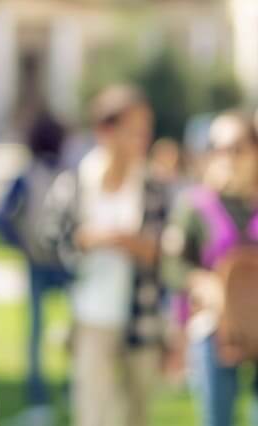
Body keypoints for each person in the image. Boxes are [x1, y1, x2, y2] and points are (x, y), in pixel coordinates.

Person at [41, 84, 168, 426]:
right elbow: (53, 245)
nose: (143, 139)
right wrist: (85, 243)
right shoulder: (76, 184)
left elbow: (166, 253)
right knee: (93, 414)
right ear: (106, 131)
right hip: (91, 315)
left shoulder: (154, 186)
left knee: (136, 416)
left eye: (146, 131)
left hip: (140, 317)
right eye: (135, 131)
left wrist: (125, 241)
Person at [161, 110, 258, 426]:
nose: (226, 157)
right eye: (216, 147)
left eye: (236, 148)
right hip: (214, 328)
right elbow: (171, 264)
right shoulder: (195, 205)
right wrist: (201, 281)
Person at [0, 109, 69, 424]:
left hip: (38, 260)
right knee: (68, 330)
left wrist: (21, 244)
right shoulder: (68, 174)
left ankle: (39, 393)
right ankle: (64, 388)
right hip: (63, 262)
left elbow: (0, 216)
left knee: (37, 330)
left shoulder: (27, 175)